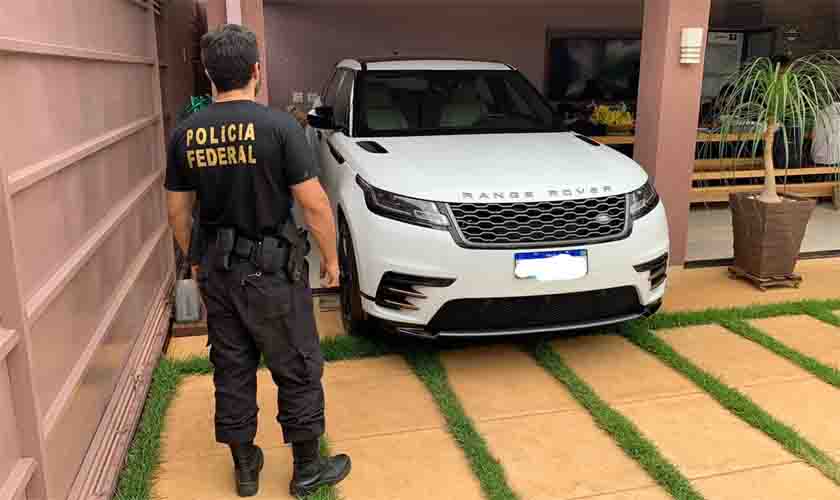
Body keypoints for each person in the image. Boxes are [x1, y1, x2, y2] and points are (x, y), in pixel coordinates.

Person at [164, 24, 351, 498]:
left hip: (219, 271)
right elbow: (314, 205)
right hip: (272, 273)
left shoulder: (185, 134)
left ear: (210, 75)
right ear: (256, 71)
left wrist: (196, 261)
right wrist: (331, 260)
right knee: (297, 364)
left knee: (231, 367)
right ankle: (307, 469)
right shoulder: (280, 128)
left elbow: (178, 212)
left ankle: (246, 468)